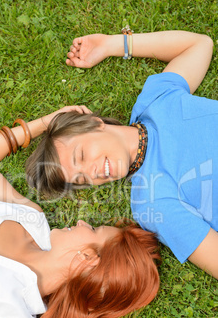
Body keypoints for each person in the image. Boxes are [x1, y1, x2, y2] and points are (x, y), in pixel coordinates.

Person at [0, 109, 160, 318]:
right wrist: (45, 123)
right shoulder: (29, 219)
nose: (82, 222)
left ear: (87, 259)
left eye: (93, 230)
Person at [25, 30, 218, 280]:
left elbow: (199, 45)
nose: (93, 173)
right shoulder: (152, 200)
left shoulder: (155, 101)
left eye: (82, 156)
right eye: (82, 180)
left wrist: (113, 44)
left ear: (94, 123)